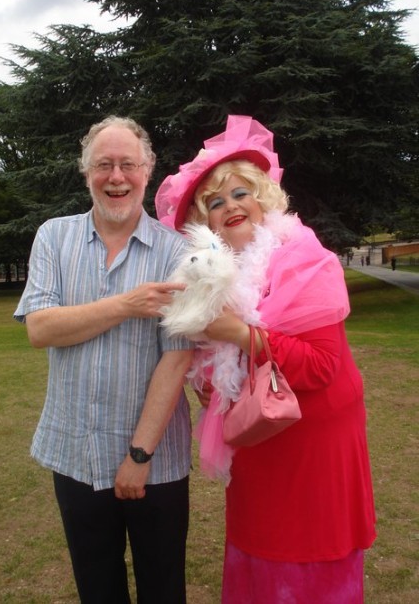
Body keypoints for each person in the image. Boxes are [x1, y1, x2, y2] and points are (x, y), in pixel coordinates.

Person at [155, 115, 376, 603]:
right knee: (259, 559)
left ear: (263, 199)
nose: (230, 206)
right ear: (205, 223)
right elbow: (212, 384)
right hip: (257, 445)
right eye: (215, 202)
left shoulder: (302, 256)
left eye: (240, 193)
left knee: (310, 567)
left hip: (314, 446)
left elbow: (320, 366)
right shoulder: (212, 281)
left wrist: (239, 332)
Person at [14, 115, 194, 603]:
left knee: (163, 590)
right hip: (74, 455)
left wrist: (139, 457)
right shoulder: (54, 237)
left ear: (148, 170)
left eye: (128, 165)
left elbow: (176, 360)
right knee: (97, 589)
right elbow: (40, 328)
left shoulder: (178, 253)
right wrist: (127, 306)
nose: (116, 177)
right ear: (86, 171)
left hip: (155, 462)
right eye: (103, 165)